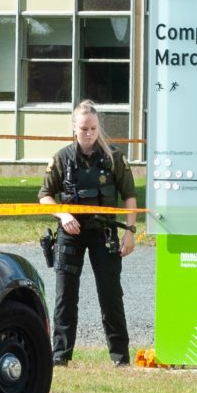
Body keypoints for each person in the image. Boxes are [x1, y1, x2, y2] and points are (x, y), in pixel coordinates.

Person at [39, 99, 137, 367]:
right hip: (71, 233)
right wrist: (63, 213)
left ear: (98, 127)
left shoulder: (114, 158)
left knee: (111, 295)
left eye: (93, 128)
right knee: (65, 296)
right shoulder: (61, 158)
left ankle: (121, 358)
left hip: (104, 233)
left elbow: (129, 196)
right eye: (83, 129)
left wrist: (130, 231)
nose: (89, 134)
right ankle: (60, 358)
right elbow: (44, 196)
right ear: (74, 128)